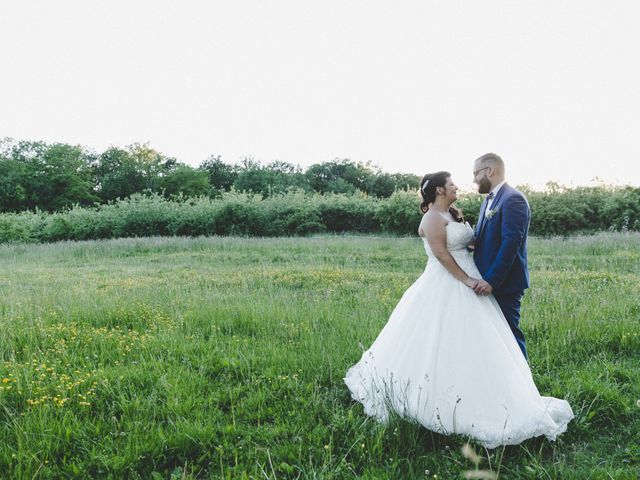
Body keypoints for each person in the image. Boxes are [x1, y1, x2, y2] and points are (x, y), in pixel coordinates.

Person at [344, 171, 573, 448]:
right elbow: (441, 255)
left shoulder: (453, 215)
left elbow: (468, 243)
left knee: (479, 341)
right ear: (439, 190)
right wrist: (467, 280)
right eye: (451, 184)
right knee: (438, 339)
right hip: (448, 283)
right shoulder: (431, 218)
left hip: (471, 277)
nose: (456, 187)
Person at [472, 153, 530, 359]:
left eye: (476, 173)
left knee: (509, 335)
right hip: (484, 281)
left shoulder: (513, 199)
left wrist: (491, 280)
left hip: (504, 284)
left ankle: (524, 387)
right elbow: (488, 237)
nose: (474, 179)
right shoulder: (488, 201)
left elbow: (510, 245)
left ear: (490, 170)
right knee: (492, 338)